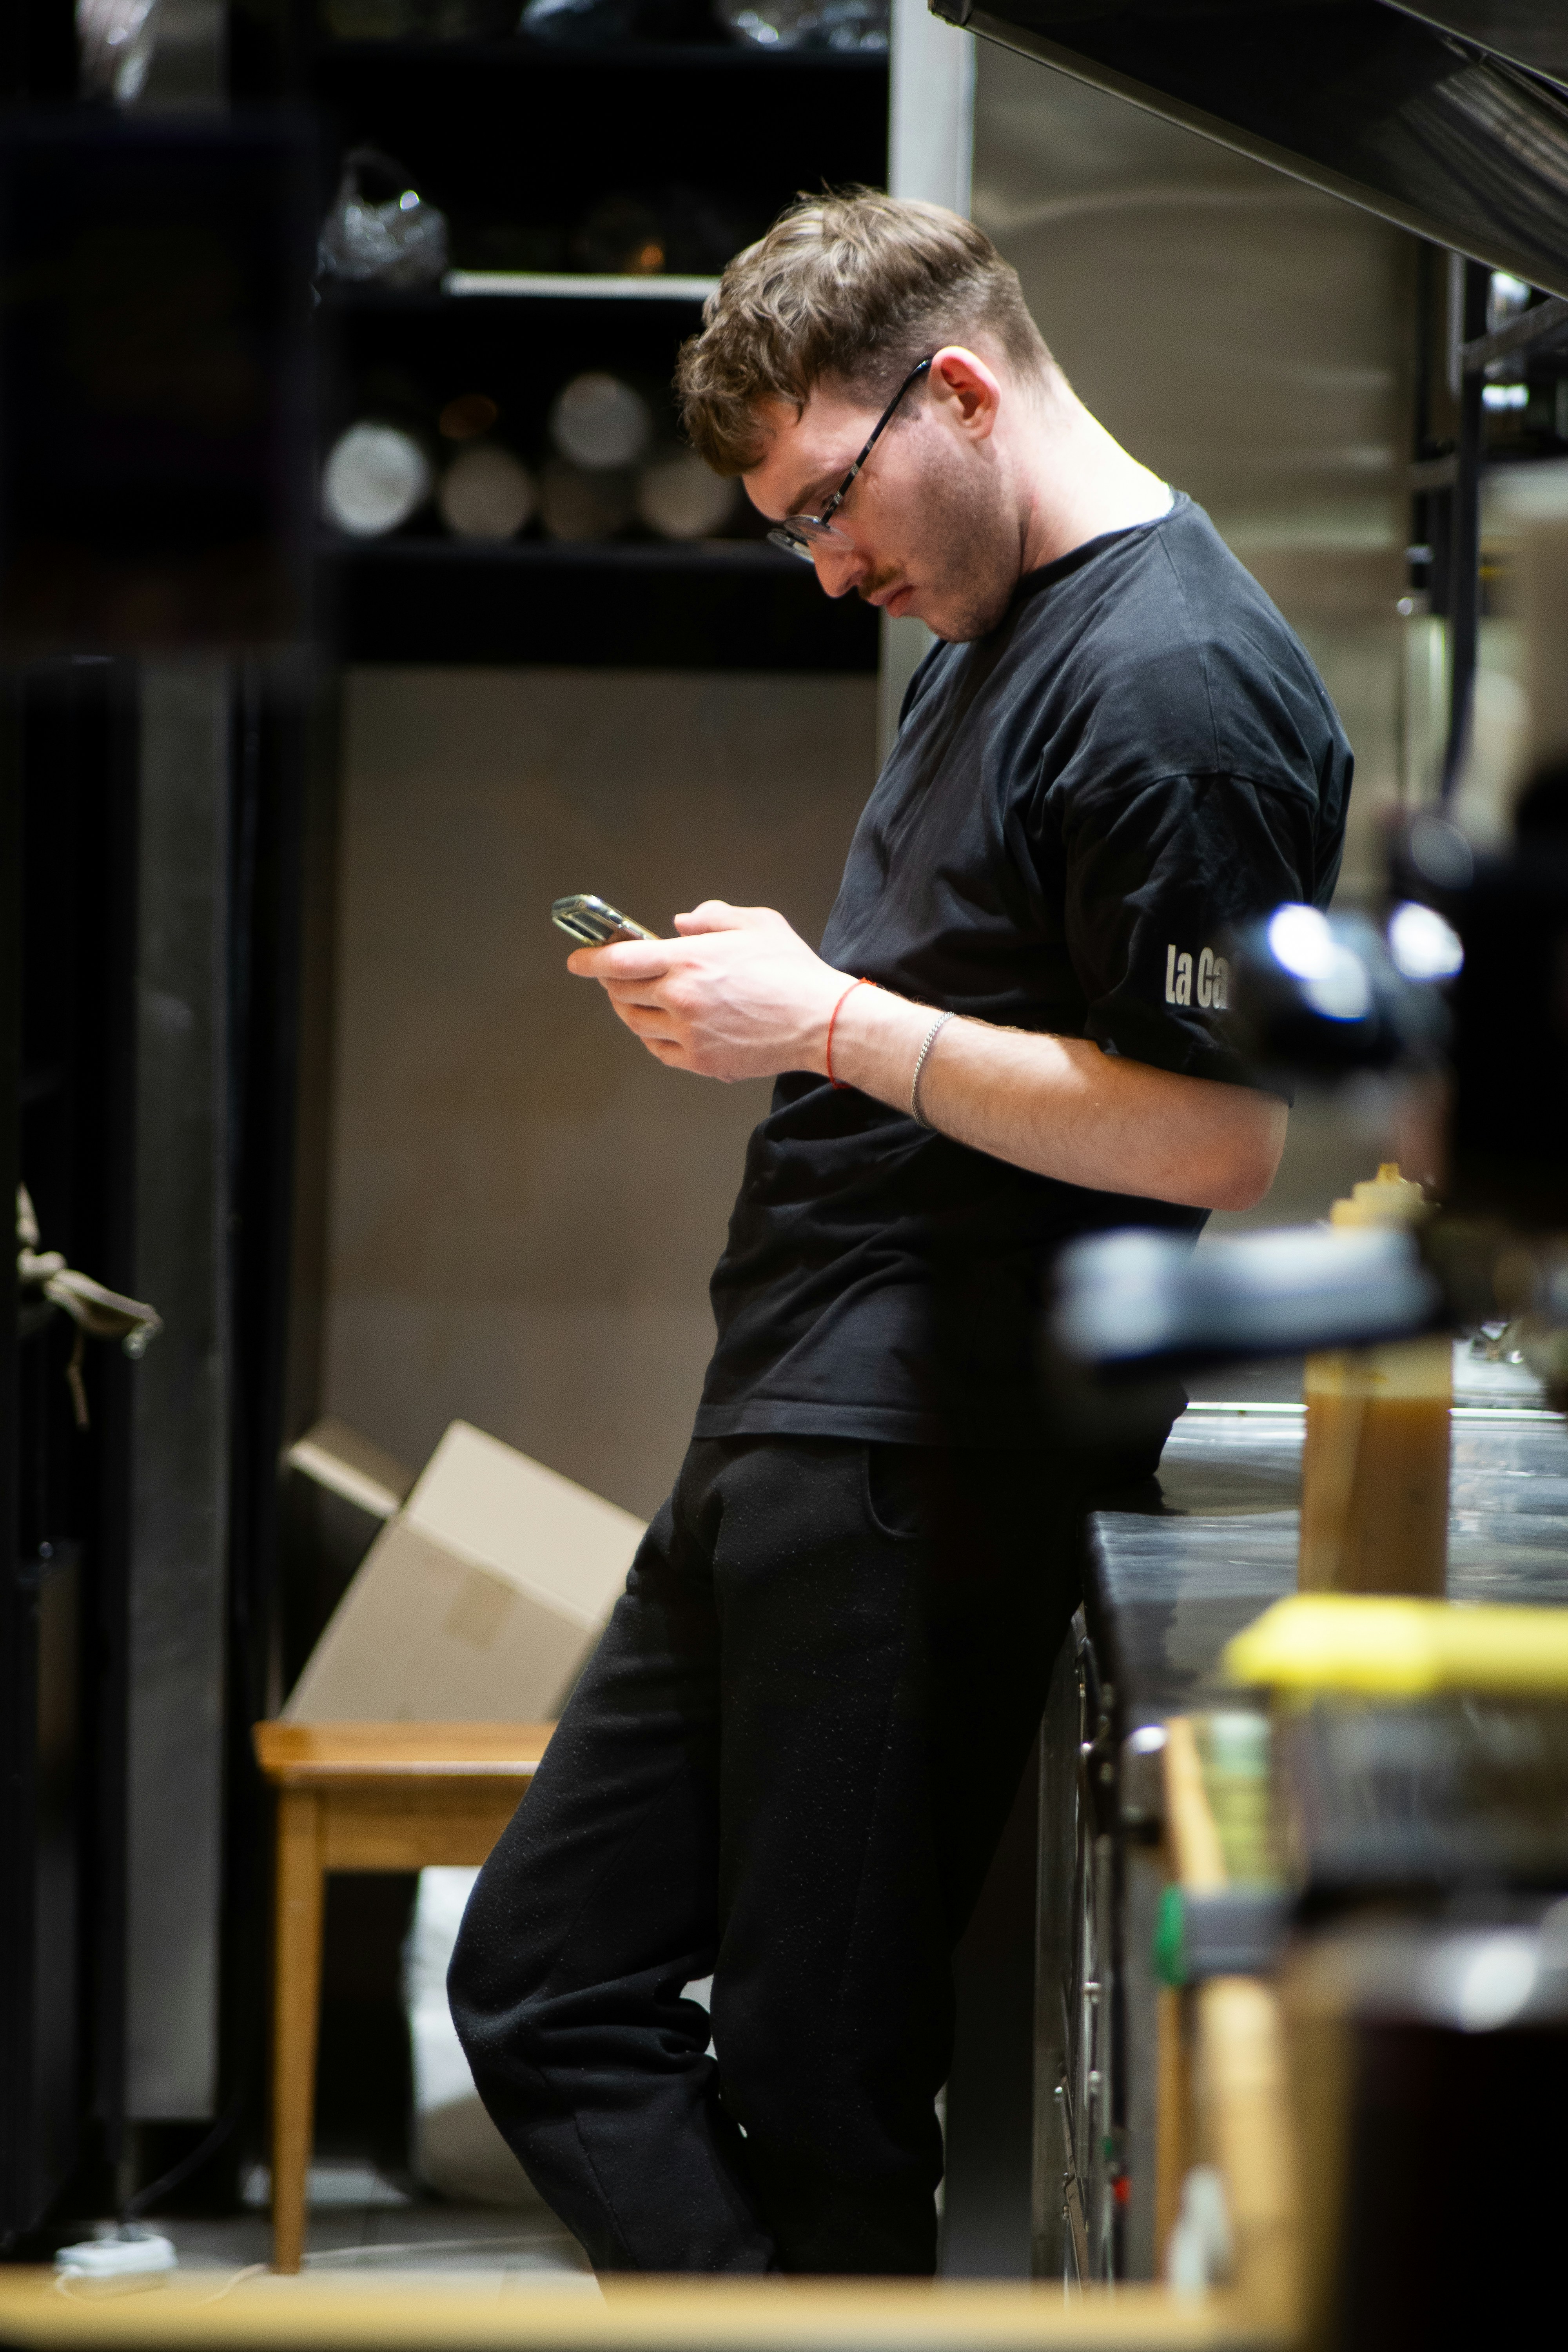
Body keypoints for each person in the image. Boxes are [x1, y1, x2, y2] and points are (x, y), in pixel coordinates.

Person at [448, 192, 1350, 2276]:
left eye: (830, 502)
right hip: (809, 1422)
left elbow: (1220, 1139)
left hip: (922, 1453)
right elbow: (985, 1012)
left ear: (960, 389)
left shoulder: (1176, 682)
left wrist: (829, 1019)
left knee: (821, 2075)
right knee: (547, 1978)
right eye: (794, 525)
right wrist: (783, 1004)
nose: (830, 564)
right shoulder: (995, 618)